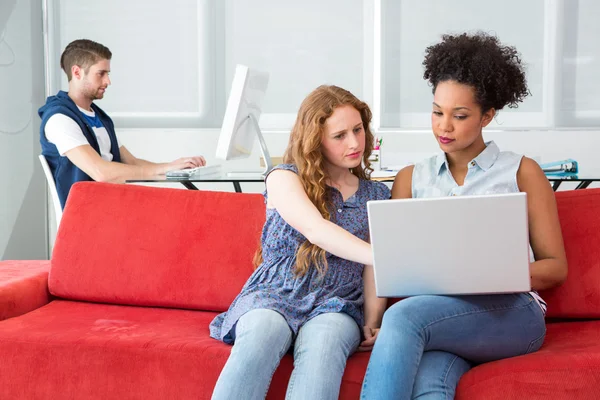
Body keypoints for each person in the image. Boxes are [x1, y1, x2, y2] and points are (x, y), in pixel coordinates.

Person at [360, 32, 568, 399]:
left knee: (404, 318)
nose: (444, 126)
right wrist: (371, 321)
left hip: (512, 314)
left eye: (459, 115)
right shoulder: (411, 178)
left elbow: (555, 268)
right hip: (441, 318)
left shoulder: (522, 171)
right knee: (430, 382)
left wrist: (493, 273)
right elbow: (386, 260)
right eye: (437, 112)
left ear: (488, 115)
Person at [209, 85, 390, 400]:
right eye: (340, 135)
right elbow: (317, 230)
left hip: (338, 301)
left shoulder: (376, 195)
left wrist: (373, 321)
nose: (354, 142)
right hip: (274, 292)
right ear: (315, 141)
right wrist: (387, 255)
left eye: (358, 130)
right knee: (262, 333)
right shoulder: (284, 178)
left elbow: (370, 269)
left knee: (324, 345)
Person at [39, 39, 206, 209]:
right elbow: (101, 173)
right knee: (180, 210)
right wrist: (160, 171)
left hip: (115, 205)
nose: (107, 82)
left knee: (191, 206)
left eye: (108, 74)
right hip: (88, 213)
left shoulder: (99, 116)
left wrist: (171, 169)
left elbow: (131, 163)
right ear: (77, 72)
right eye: (101, 73)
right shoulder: (59, 119)